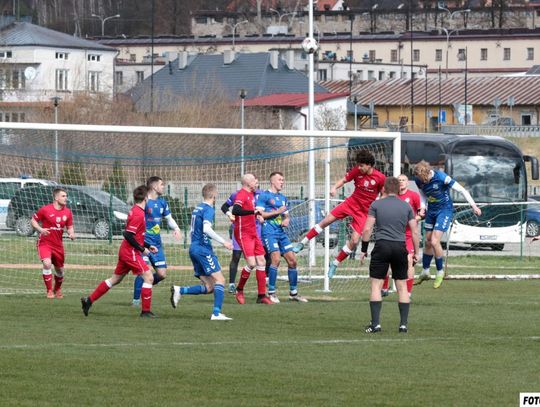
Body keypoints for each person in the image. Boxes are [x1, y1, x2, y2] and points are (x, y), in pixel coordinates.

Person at [293, 150, 385, 278]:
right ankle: (302, 243)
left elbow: (383, 194)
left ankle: (335, 263)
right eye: (358, 165)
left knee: (354, 240)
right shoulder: (357, 171)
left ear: (369, 165)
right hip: (351, 203)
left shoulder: (380, 177)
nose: (359, 167)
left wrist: (379, 204)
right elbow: (344, 180)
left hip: (364, 212)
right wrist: (334, 188)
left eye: (361, 165)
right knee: (326, 221)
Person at [81, 185, 159, 318]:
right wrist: (142, 249)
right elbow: (127, 234)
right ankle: (145, 311)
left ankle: (89, 300)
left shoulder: (135, 210)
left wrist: (148, 245)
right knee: (149, 277)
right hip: (130, 252)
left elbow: (135, 235)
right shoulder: (138, 214)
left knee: (115, 279)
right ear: (146, 198)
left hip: (126, 250)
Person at [359, 177, 420, 334]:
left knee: (376, 285)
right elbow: (414, 231)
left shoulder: (376, 204)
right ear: (399, 189)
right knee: (402, 286)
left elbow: (367, 229)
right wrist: (416, 252)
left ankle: (375, 325)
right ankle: (403, 325)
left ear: (384, 189)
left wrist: (364, 249)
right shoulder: (406, 206)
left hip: (382, 246)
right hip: (400, 247)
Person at [414, 160, 482, 289]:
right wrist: (422, 207)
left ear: (427, 173)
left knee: (434, 241)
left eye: (424, 179)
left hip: (444, 211)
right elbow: (422, 195)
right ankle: (425, 271)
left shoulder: (441, 177)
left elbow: (462, 190)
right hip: (431, 211)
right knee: (427, 241)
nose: (423, 182)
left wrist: (473, 206)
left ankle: (440, 272)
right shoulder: (418, 180)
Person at [170, 184, 234, 320]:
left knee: (209, 286)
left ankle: (180, 290)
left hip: (194, 248)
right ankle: (216, 313)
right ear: (214, 195)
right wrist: (224, 242)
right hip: (203, 250)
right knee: (220, 280)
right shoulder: (208, 209)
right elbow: (206, 229)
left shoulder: (197, 208)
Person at [256, 172, 308, 303]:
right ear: (272, 181)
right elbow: (259, 214)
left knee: (292, 260)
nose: (282, 182)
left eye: (283, 180)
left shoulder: (283, 198)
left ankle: (293, 293)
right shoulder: (264, 195)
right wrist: (277, 211)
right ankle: (271, 293)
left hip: (281, 232)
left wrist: (286, 219)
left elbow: (286, 215)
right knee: (276, 259)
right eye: (279, 180)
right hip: (269, 232)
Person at [132, 176, 181, 306]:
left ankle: (145, 286)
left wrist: (176, 228)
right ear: (154, 186)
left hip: (157, 244)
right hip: (144, 242)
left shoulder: (162, 203)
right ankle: (136, 300)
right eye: (161, 184)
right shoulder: (144, 201)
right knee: (144, 271)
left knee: (162, 274)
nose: (163, 186)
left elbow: (169, 218)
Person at [232, 173, 275, 305]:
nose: (257, 183)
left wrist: (257, 216)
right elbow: (235, 210)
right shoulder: (241, 194)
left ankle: (261, 296)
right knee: (251, 263)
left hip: (253, 233)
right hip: (243, 233)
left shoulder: (251, 195)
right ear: (248, 183)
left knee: (262, 261)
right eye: (254, 181)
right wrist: (253, 212)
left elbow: (250, 212)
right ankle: (239, 289)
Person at [381, 174, 423, 297]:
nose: (401, 182)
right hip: (393, 233)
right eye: (399, 180)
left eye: (403, 180)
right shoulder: (391, 196)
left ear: (407, 182)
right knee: (387, 261)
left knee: (409, 261)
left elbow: (421, 214)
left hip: (408, 235)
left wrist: (412, 220)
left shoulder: (414, 196)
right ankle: (384, 288)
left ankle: (408, 292)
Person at [31, 187, 75, 299]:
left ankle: (57, 289)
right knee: (47, 263)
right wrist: (40, 229)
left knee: (60, 271)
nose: (66, 198)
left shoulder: (68, 212)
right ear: (56, 198)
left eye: (66, 196)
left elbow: (70, 226)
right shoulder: (45, 209)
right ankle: (49, 290)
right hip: (45, 242)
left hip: (58, 245)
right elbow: (33, 220)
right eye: (63, 196)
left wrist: (71, 234)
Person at [220, 187, 266, 294]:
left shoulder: (261, 194)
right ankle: (232, 284)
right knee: (236, 256)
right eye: (254, 181)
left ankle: (263, 287)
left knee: (262, 257)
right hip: (241, 230)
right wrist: (229, 215)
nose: (256, 184)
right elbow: (224, 206)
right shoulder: (238, 195)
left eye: (257, 182)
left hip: (256, 230)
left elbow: (265, 210)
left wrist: (263, 216)